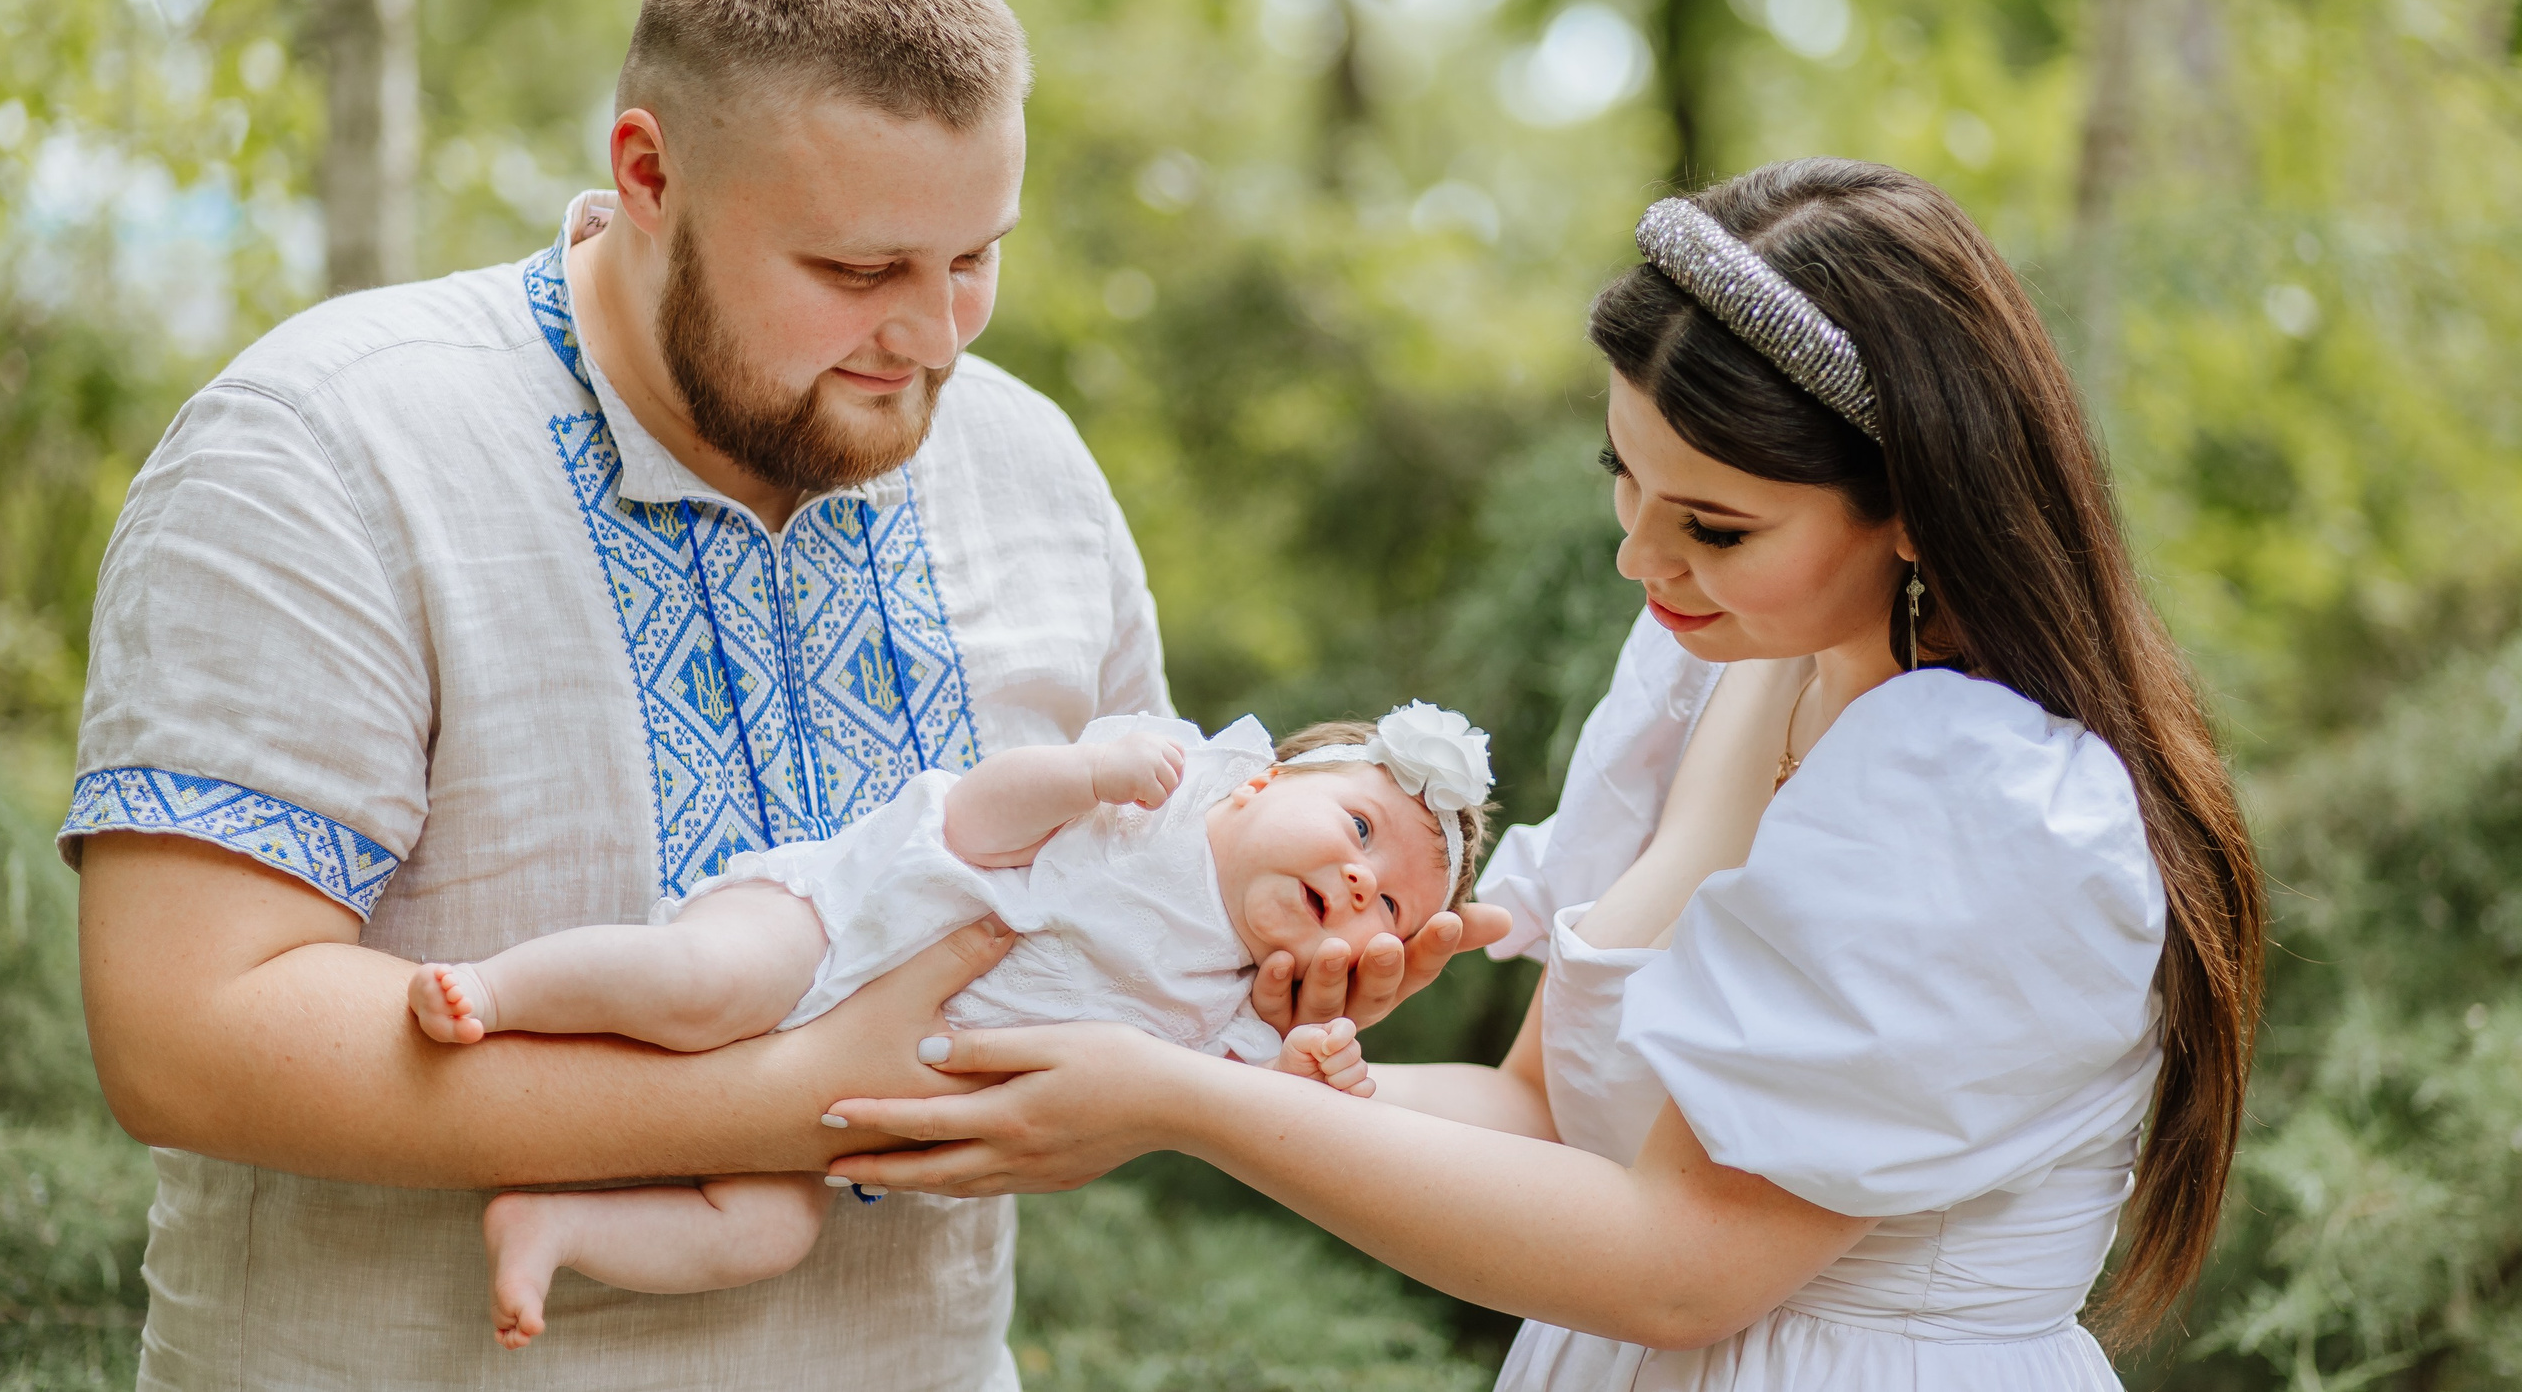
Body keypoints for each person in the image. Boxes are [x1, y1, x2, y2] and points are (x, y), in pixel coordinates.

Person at [60, 0, 1499, 1391]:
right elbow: (188, 1029)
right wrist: (781, 1094)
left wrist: (1249, 984)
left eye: (973, 258)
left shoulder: (1034, 473)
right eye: (858, 270)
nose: (935, 338)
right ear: (646, 173)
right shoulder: (329, 445)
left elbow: (1096, 974)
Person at [816, 158, 2268, 1390]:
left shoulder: (1975, 792)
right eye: (1624, 478)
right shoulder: (1725, 660)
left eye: (1718, 521)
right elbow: (1549, 1116)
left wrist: (1178, 1100)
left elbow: (1682, 1265)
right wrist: (1215, 1041)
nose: (1645, 558)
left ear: (1917, 505)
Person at [410, 704, 1490, 1347]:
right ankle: (498, 991)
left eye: (1389, 903)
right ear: (1257, 786)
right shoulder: (1145, 797)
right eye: (1358, 827)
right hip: (831, 934)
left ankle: (552, 1231)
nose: (1358, 881)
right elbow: (973, 816)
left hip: (833, 1116)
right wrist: (1078, 774)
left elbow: (1242, 1099)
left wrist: (1321, 1059)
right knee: (699, 984)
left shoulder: (1236, 997)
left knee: (765, 1233)